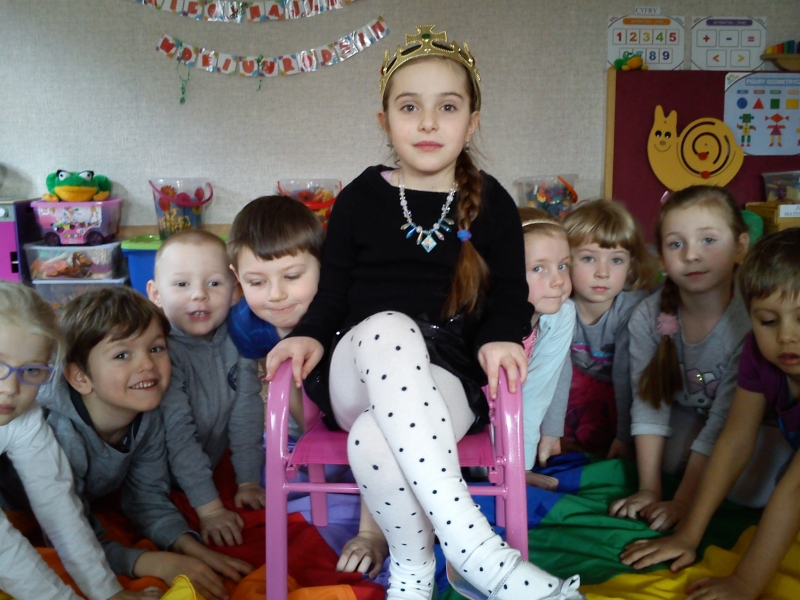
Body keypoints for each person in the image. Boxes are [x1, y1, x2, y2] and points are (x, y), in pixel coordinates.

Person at [265, 25, 584, 600]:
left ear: (472, 121)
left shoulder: (492, 203)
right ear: (385, 121)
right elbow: (331, 293)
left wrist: (500, 336)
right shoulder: (361, 197)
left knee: (374, 440)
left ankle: (411, 574)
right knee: (389, 328)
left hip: (443, 376)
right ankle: (478, 552)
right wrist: (307, 334)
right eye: (410, 107)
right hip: (356, 368)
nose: (429, 123)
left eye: (448, 107)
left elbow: (509, 297)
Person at [27, 287, 252, 600]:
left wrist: (191, 548)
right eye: (122, 355)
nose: (147, 364)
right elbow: (64, 537)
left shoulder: (146, 415)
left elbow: (146, 498)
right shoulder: (59, 435)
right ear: (80, 377)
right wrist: (154, 562)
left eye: (156, 348)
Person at [620, 229, 800, 600]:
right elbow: (734, 440)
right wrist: (688, 534)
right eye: (768, 321)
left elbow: (795, 489)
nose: (786, 336)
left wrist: (745, 583)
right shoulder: (757, 353)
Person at [0, 282, 158, 600]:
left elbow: (58, 505)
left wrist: (107, 591)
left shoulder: (24, 418)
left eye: (32, 370)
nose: (11, 388)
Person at [609, 185, 751, 533]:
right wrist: (649, 489)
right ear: (661, 257)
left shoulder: (749, 319)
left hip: (743, 426)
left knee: (752, 486)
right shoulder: (649, 316)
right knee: (666, 464)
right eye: (676, 244)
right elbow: (649, 402)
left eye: (708, 240)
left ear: (740, 246)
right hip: (687, 415)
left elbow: (725, 421)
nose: (691, 255)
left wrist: (684, 502)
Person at [147, 229, 265, 548]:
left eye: (213, 283)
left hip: (208, 464)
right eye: (181, 284)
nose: (199, 295)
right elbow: (178, 435)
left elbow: (246, 413)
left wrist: (248, 480)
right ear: (156, 294)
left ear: (235, 291)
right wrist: (211, 510)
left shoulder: (239, 338)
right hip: (155, 479)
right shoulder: (159, 351)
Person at [561, 199, 655, 458]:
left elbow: (628, 378)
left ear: (630, 265)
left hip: (624, 392)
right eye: (589, 258)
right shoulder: (559, 306)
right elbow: (553, 374)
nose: (602, 272)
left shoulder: (633, 310)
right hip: (576, 389)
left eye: (616, 260)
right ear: (565, 262)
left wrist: (624, 436)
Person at [227, 194, 323, 434]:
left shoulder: (338, 311)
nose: (276, 294)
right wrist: (312, 438)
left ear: (323, 265)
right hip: (297, 411)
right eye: (257, 282)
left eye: (291, 276)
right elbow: (282, 380)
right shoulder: (244, 324)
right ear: (238, 277)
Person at [518, 207, 576, 490]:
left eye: (563, 266)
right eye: (538, 268)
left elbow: (536, 393)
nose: (558, 281)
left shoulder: (562, 315)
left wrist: (521, 467)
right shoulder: (482, 318)